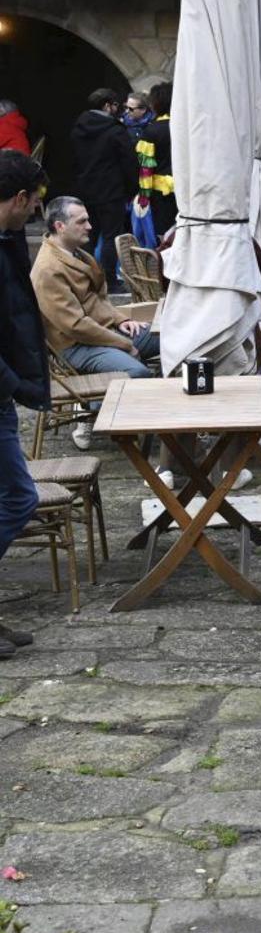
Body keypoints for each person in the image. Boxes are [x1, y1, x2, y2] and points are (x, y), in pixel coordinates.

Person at [32, 197, 160, 442]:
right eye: (82, 221)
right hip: (75, 346)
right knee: (137, 373)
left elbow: (97, 299)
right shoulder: (48, 269)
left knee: (174, 340)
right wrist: (122, 343)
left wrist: (120, 319)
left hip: (101, 332)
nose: (90, 226)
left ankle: (166, 415)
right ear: (60, 226)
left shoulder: (76, 253)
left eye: (88, 219)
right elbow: (75, 326)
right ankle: (96, 411)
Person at [0, 151, 49, 658]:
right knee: (18, 499)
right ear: (18, 199)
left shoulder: (8, 239)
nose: (36, 208)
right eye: (34, 200)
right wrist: (10, 382)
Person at [70, 87, 139, 292]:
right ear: (107, 105)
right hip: (111, 190)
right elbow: (129, 162)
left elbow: (73, 161)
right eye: (116, 105)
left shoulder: (78, 129)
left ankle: (85, 278)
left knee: (87, 235)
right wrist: (131, 189)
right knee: (111, 235)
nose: (118, 109)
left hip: (85, 190)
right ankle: (109, 278)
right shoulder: (115, 130)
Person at [135, 81, 176, 241]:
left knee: (163, 237)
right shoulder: (187, 127)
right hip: (187, 190)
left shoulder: (151, 131)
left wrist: (144, 196)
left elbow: (146, 168)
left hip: (161, 196)